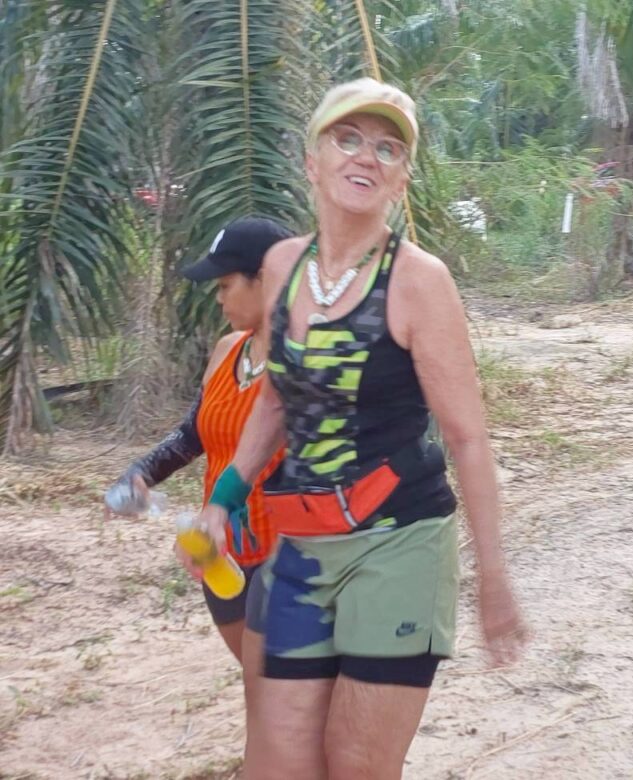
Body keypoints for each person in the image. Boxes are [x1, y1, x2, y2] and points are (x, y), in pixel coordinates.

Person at [194, 78, 527, 778]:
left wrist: (492, 578)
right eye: (347, 138)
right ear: (311, 160)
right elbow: (276, 400)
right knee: (279, 763)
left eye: (387, 148)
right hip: (300, 544)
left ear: (401, 179)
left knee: (356, 764)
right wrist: (223, 499)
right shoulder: (282, 266)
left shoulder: (418, 281)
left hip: (398, 543)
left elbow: (467, 437)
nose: (366, 156)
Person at [106, 217, 292, 664]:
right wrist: (142, 473)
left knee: (289, 695)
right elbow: (193, 434)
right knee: (258, 689)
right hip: (220, 554)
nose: (219, 297)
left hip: (287, 560)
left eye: (226, 285)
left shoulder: (308, 363)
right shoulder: (229, 351)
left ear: (265, 279)